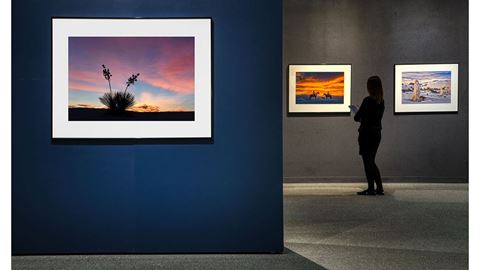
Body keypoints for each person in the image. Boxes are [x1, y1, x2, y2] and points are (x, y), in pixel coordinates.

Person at [351, 76, 385, 196]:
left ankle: (371, 189)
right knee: (371, 161)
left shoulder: (367, 100)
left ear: (370, 87)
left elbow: (357, 117)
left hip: (366, 134)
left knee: (367, 161)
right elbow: (375, 118)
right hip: (376, 134)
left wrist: (357, 111)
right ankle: (379, 188)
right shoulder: (381, 101)